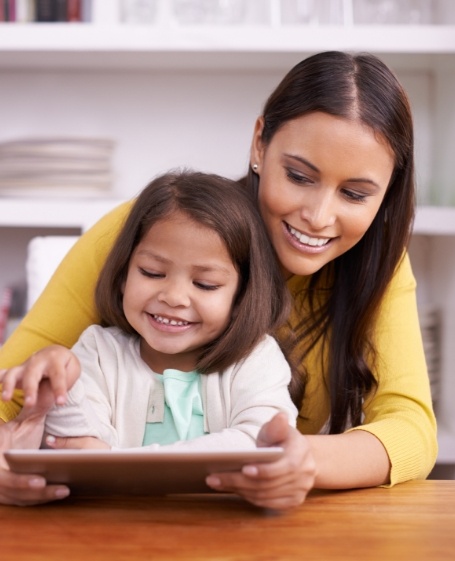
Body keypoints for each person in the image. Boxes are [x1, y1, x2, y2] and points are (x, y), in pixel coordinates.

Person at [0, 51, 437, 509]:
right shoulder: (151, 233)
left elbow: (410, 428)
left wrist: (302, 459)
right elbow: (15, 392)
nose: (318, 215)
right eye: (298, 176)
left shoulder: (376, 266)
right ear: (259, 144)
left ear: (387, 192)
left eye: (354, 194)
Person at [0, 170, 298, 474]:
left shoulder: (256, 358)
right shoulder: (100, 351)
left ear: (239, 298)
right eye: (152, 273)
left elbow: (260, 444)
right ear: (123, 275)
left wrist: (121, 461)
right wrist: (62, 382)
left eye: (205, 284)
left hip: (224, 520)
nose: (174, 297)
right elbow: (78, 447)